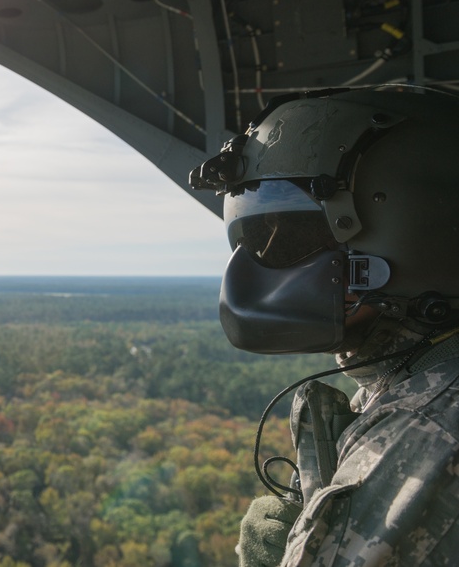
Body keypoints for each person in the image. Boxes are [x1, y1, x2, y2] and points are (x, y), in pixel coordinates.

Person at [189, 85, 459, 566]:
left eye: (295, 240)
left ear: (412, 227)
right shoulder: (413, 377)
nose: (268, 265)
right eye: (259, 238)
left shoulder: (426, 429)